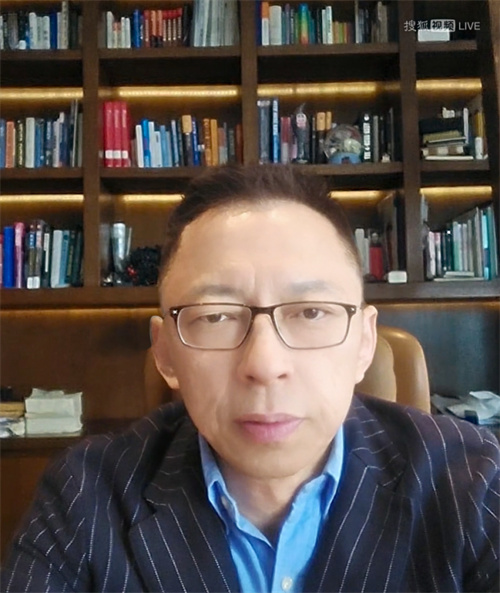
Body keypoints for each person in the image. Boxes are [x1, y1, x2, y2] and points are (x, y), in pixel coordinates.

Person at [1, 165, 499, 593]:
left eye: (311, 312)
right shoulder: (85, 495)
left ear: (364, 342)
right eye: (216, 316)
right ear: (165, 353)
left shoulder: (476, 485)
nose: (264, 364)